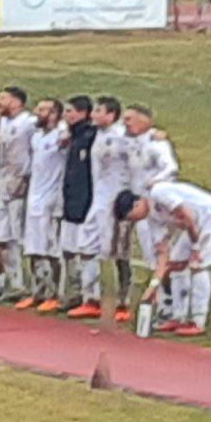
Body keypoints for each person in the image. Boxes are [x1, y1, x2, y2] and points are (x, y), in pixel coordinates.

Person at [114, 182, 211, 336]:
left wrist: (196, 248)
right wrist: (152, 289)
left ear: (137, 204)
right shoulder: (152, 220)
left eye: (132, 217)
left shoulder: (159, 193)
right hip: (195, 224)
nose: (135, 221)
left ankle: (198, 321)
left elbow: (187, 216)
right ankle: (179, 316)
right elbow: (163, 257)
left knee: (199, 265)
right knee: (175, 261)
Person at [67, 96, 133, 321]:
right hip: (98, 201)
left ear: (111, 115)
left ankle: (124, 302)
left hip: (118, 201)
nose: (93, 115)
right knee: (87, 246)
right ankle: (91, 299)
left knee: (120, 252)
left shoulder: (123, 135)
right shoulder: (97, 134)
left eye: (98, 111)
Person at [124, 104, 181, 320]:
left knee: (163, 254)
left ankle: (171, 302)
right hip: (140, 209)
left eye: (129, 119)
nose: (125, 124)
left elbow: (171, 168)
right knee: (150, 256)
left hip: (157, 208)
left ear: (144, 120)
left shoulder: (157, 144)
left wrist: (154, 182)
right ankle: (162, 301)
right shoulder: (129, 140)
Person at [15, 98, 66, 312]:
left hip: (52, 200)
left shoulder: (60, 136)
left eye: (43, 110)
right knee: (32, 247)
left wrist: (63, 127)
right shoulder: (36, 137)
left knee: (51, 249)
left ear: (54, 114)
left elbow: (68, 138)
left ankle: (54, 293)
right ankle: (37, 291)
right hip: (34, 197)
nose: (37, 112)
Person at [0, 87, 37, 301]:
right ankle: (14, 282)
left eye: (3, 98)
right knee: (4, 237)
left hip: (20, 185)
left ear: (17, 101)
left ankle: (33, 284)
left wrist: (27, 178)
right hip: (4, 184)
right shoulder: (4, 122)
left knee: (20, 236)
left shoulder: (28, 122)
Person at [59, 95, 96, 312]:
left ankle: (90, 296)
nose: (66, 116)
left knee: (86, 250)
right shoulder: (73, 136)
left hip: (85, 199)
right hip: (71, 198)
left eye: (70, 111)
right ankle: (73, 293)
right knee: (68, 249)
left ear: (83, 113)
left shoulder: (91, 136)